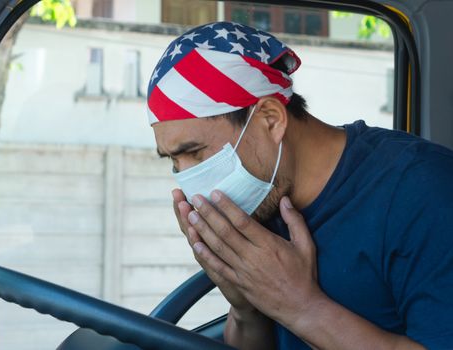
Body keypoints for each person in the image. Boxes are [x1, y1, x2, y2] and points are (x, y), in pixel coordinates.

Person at [147, 21, 453, 349]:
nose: (190, 185)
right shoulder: (260, 197)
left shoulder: (424, 191)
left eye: (193, 152)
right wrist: (245, 307)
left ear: (271, 119)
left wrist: (302, 307)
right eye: (173, 161)